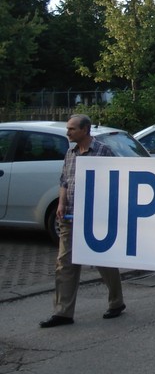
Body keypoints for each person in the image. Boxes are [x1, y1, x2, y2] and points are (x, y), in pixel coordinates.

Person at [40, 114, 126, 328]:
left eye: (72, 129)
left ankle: (116, 302)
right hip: (70, 217)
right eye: (67, 128)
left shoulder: (103, 152)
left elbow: (117, 179)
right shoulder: (70, 153)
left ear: (85, 130)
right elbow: (64, 181)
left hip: (93, 218)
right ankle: (63, 312)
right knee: (64, 264)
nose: (67, 132)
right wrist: (61, 204)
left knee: (103, 261)